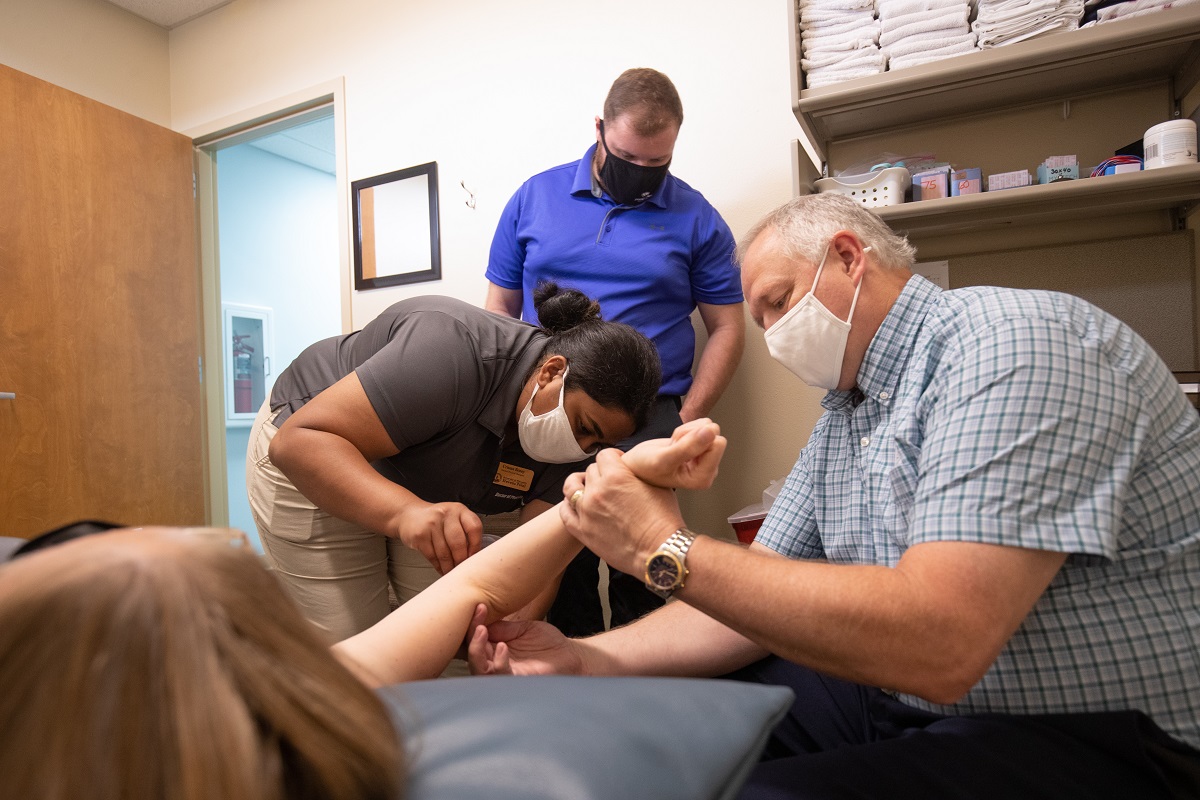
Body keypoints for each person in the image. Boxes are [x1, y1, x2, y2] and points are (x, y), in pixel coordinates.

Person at [469, 193, 1200, 799]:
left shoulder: (1011, 345)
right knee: (653, 743)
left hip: (1090, 729)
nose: (776, 336)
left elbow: (941, 642)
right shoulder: (847, 414)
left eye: (778, 303)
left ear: (849, 257)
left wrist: (661, 547)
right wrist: (585, 660)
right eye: (759, 322)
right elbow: (747, 610)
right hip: (902, 694)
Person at [0, 421, 726, 800]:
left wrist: (601, 489)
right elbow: (458, 596)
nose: (211, 532)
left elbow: (459, 592)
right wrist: (609, 487)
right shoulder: (257, 713)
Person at [484, 67, 746, 637]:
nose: (643, 175)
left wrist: (687, 414)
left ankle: (643, 696)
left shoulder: (696, 217)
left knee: (646, 570)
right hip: (550, 407)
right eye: (630, 157)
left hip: (648, 416)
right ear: (600, 129)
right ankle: (567, 686)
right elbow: (496, 312)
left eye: (659, 163)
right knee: (555, 560)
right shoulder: (534, 197)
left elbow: (727, 327)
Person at [247, 282, 660, 642]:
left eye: (598, 443)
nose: (581, 447)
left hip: (431, 480)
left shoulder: (583, 442)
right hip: (318, 445)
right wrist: (405, 512)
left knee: (452, 636)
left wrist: (516, 617)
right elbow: (298, 443)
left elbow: (542, 552)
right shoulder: (453, 349)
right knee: (355, 644)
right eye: (583, 426)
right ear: (552, 372)